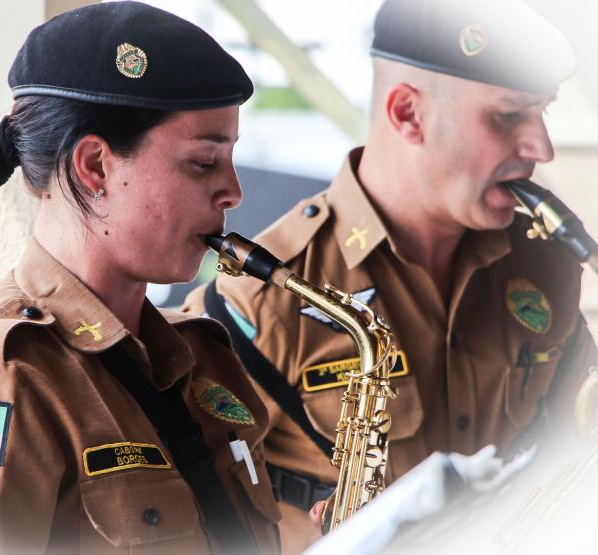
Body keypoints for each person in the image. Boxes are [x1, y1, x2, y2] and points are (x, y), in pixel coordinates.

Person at [183, 0, 598, 552]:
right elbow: (194, 511)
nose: (540, 147)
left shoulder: (546, 260)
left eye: (542, 112)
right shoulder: (258, 296)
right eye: (508, 115)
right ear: (408, 114)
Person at [0, 2, 284, 553]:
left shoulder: (200, 358)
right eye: (202, 162)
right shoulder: (0, 375)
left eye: (230, 159)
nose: (233, 191)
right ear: (95, 166)